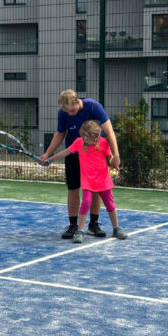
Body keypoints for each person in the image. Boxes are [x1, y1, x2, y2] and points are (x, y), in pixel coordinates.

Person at [40, 89, 120, 239]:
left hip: (95, 154)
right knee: (73, 188)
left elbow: (109, 132)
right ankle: (73, 226)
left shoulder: (94, 107)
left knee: (96, 188)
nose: (69, 114)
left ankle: (93, 224)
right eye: (66, 111)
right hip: (74, 153)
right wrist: (48, 154)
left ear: (78, 102)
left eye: (72, 110)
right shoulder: (62, 113)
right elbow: (60, 134)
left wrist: (115, 155)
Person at [48, 120, 127, 243]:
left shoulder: (103, 142)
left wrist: (114, 167)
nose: (95, 140)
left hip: (103, 180)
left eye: (96, 138)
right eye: (92, 139)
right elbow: (65, 152)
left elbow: (110, 157)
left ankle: (116, 228)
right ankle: (80, 231)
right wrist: (50, 159)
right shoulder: (78, 143)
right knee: (85, 204)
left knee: (110, 205)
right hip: (87, 182)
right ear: (84, 136)